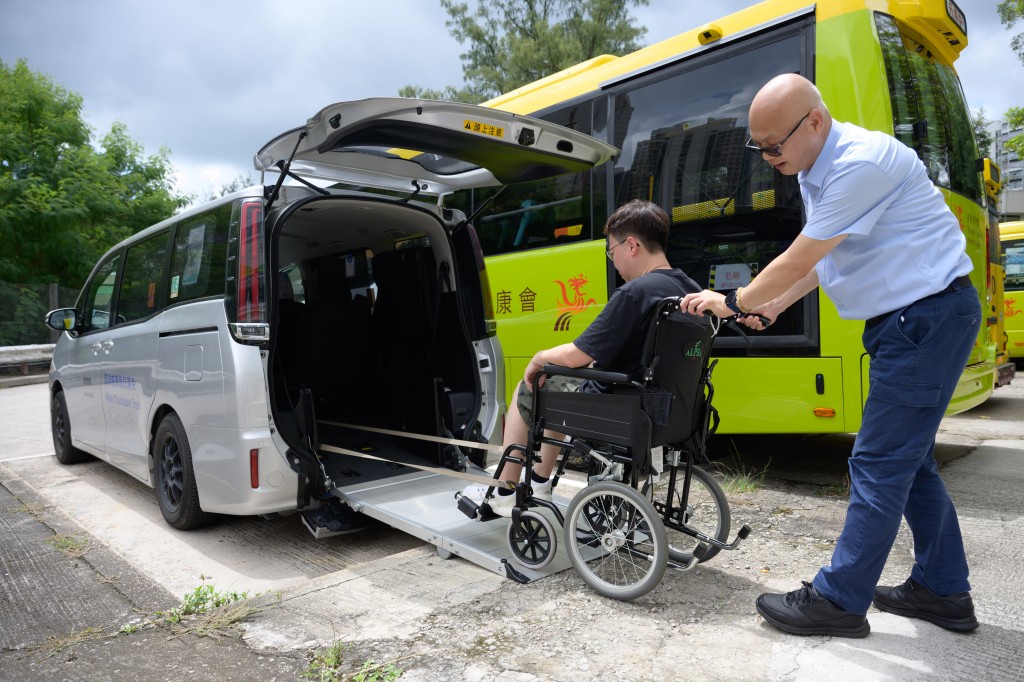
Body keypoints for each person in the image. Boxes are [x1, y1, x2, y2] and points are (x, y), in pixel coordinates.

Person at [682, 74, 981, 638]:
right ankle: (943, 591)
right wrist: (772, 308)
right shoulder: (815, 166)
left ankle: (840, 601)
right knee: (908, 463)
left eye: (774, 145)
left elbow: (802, 255)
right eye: (759, 147)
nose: (767, 157)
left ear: (814, 122)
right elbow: (826, 259)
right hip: (915, 321)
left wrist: (735, 301)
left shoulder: (858, 163)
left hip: (926, 319)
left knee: (876, 462)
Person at [463, 199, 700, 515]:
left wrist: (537, 360)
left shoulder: (635, 292)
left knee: (531, 385)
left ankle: (506, 490)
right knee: (558, 383)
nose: (613, 261)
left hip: (620, 403)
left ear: (631, 245)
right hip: (669, 406)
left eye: (611, 251)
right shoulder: (689, 288)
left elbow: (579, 352)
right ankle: (538, 482)